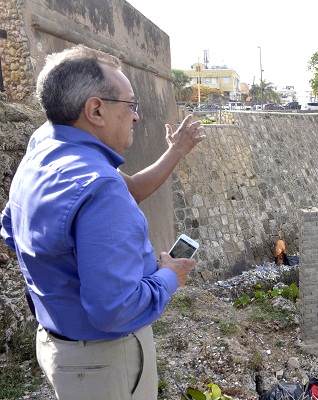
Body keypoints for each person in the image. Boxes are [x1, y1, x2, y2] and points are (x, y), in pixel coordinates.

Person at [0, 45, 206, 400]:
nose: (137, 117)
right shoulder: (100, 186)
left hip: (58, 346)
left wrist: (175, 151)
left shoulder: (45, 146)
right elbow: (116, 310)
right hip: (103, 362)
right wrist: (171, 275)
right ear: (95, 109)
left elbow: (10, 230)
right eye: (131, 105)